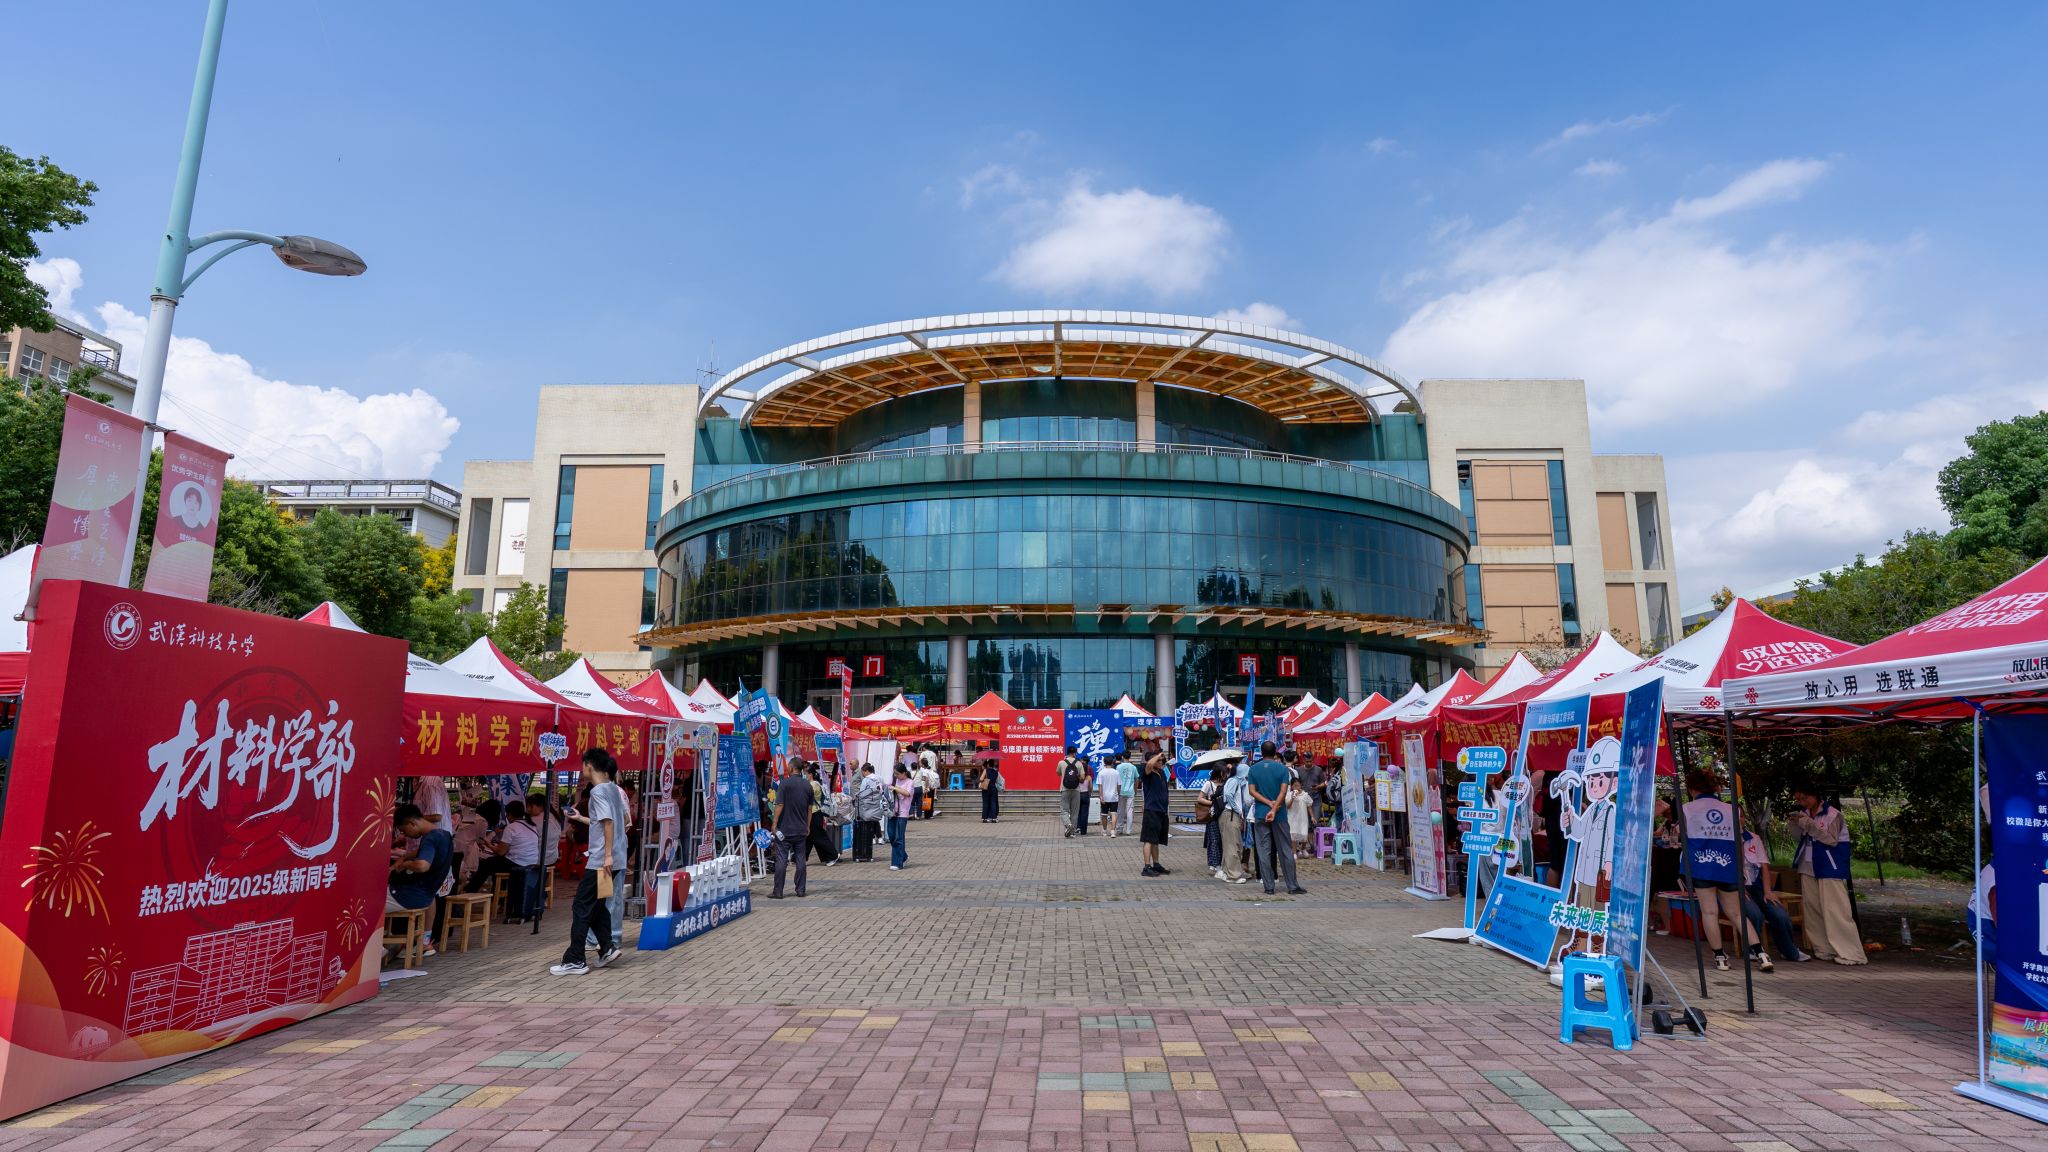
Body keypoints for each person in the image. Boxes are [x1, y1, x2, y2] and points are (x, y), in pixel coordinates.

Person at [551, 749, 626, 976]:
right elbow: (606, 821)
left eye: (583, 765)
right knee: (597, 905)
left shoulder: (598, 791)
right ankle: (607, 948)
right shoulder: (613, 789)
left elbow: (608, 822)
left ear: (589, 766)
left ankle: (575, 959)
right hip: (615, 858)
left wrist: (606, 855)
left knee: (581, 905)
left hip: (602, 860)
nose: (582, 769)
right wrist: (580, 817)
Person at [1680, 770, 1763, 972]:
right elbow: (1739, 842)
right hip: (1728, 866)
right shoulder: (1731, 809)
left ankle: (1720, 957)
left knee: (1709, 912)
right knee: (1737, 913)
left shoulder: (1687, 809)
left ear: (1692, 789)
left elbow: (1681, 836)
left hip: (1702, 866)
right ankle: (1761, 953)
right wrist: (1741, 870)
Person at [1788, 785, 1867, 965]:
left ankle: (1852, 953)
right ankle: (1824, 948)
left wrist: (1810, 825)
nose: (1802, 802)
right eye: (1799, 799)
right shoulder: (1804, 813)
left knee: (1836, 910)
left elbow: (1831, 840)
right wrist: (1794, 824)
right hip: (1808, 866)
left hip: (1830, 866)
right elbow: (1800, 838)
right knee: (1813, 910)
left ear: (1815, 795)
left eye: (1805, 798)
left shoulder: (1833, 814)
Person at [1248, 742, 1304, 895]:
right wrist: (1274, 807)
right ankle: (1292, 886)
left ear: (1261, 753)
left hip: (1261, 813)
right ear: (1275, 753)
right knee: (1285, 849)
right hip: (1279, 814)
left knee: (1263, 851)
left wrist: (1267, 803)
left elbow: (1252, 791)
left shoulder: (1253, 769)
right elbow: (1283, 791)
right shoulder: (1282, 769)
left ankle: (1268, 887)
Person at [1739, 827, 1800, 966]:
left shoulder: (1754, 838)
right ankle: (1754, 950)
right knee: (1755, 914)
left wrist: (1768, 891)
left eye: (1741, 817)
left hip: (1757, 886)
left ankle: (1789, 951)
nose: (1739, 819)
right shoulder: (1723, 837)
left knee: (1779, 913)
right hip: (1736, 887)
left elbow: (1764, 867)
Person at [770, 764, 815, 898]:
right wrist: (808, 826)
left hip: (784, 830)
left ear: (792, 768)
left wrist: (774, 823)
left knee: (781, 860)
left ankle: (778, 891)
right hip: (800, 829)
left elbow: (780, 804)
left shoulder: (784, 784)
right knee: (801, 859)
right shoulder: (807, 785)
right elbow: (810, 809)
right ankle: (800, 889)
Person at [1139, 751, 1173, 876]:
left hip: (1162, 810)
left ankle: (1156, 864)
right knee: (1148, 839)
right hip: (1152, 810)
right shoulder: (1146, 771)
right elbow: (1149, 765)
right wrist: (1157, 756)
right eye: (1158, 760)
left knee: (1156, 840)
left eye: (1161, 760)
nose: (1160, 762)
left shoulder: (1161, 772)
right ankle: (1146, 867)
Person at [1218, 757, 1252, 884]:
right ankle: (1234, 875)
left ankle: (1226, 871)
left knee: (1231, 845)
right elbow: (1228, 795)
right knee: (1233, 846)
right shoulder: (1234, 781)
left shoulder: (1235, 781)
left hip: (1231, 815)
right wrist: (1237, 809)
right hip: (1231, 815)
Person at [806, 765, 841, 869]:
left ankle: (833, 855)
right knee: (810, 837)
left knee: (819, 837)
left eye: (806, 773)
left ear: (810, 774)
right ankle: (801, 857)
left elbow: (806, 797)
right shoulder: (815, 784)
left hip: (814, 813)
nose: (804, 776)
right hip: (814, 813)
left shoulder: (813, 785)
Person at [1199, 763, 1228, 877]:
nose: (1226, 774)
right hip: (1213, 816)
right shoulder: (1209, 784)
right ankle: (1216, 864)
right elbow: (1200, 798)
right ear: (1220, 773)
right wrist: (1212, 803)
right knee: (1214, 840)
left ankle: (1220, 863)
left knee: (1222, 840)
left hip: (1224, 814)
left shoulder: (1226, 783)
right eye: (1224, 772)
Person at [854, 765, 886, 861]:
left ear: (866, 771)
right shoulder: (880, 778)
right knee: (875, 820)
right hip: (877, 804)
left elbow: (862, 793)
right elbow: (884, 790)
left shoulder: (866, 780)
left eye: (863, 772)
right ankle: (879, 837)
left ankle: (871, 838)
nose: (862, 774)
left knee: (867, 822)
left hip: (867, 805)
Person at [889, 765, 915, 869]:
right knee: (891, 835)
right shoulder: (895, 780)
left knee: (898, 837)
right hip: (893, 812)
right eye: (894, 773)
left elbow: (907, 793)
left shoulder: (910, 782)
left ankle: (897, 863)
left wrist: (895, 788)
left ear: (904, 773)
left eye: (897, 774)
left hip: (902, 813)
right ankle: (903, 856)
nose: (896, 776)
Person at [1059, 747, 1086, 837]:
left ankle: (1068, 825)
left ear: (1067, 753)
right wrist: (1076, 776)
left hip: (1064, 789)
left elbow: (1058, 773)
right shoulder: (1079, 763)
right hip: (1076, 790)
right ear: (1075, 753)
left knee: (1064, 810)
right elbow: (1082, 778)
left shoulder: (1061, 762)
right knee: (1075, 812)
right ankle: (1072, 831)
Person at [1098, 755, 1123, 837]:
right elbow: (1119, 785)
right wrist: (1118, 793)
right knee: (1114, 813)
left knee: (1104, 814)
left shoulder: (1101, 773)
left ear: (1104, 762)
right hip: (1114, 796)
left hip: (1104, 796)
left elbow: (1100, 786)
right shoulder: (1116, 772)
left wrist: (1101, 797)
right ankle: (1113, 831)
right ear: (1112, 762)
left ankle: (1105, 831)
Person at [1117, 753, 1138, 836]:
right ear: (1130, 757)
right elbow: (1137, 779)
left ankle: (1119, 829)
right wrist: (1135, 789)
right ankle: (1128, 830)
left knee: (1120, 810)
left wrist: (1117, 790)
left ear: (1122, 757)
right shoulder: (1133, 767)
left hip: (1121, 791)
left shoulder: (1119, 767)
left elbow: (1117, 780)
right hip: (1130, 791)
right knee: (1130, 811)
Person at [980, 757, 1002, 822]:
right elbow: (997, 781)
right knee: (993, 803)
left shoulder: (986, 770)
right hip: (993, 788)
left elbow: (981, 779)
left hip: (986, 788)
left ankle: (985, 818)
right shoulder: (996, 772)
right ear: (993, 765)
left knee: (986, 802)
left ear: (988, 764)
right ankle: (994, 818)